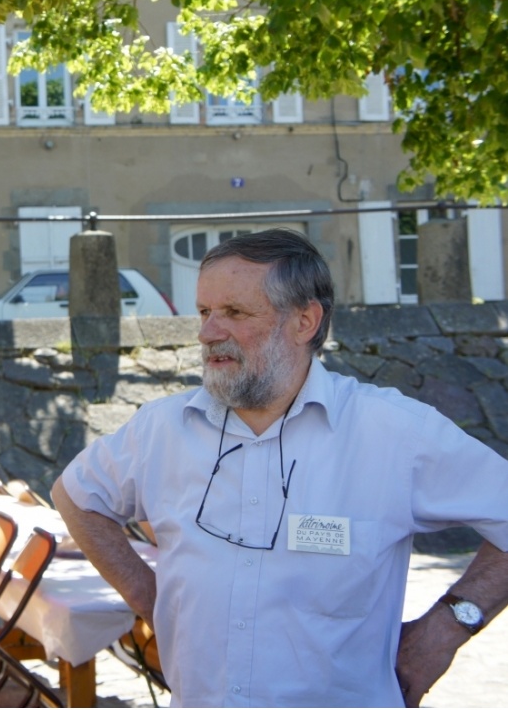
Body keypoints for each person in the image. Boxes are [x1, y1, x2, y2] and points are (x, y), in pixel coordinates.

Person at [53, 228, 508, 707]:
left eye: (235, 312)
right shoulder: (163, 429)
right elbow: (77, 495)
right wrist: (150, 598)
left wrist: (448, 626)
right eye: (205, 312)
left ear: (305, 320)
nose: (208, 332)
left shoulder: (393, 432)